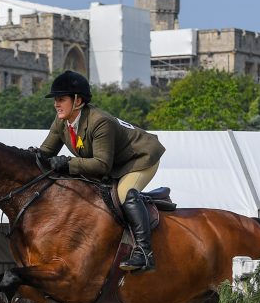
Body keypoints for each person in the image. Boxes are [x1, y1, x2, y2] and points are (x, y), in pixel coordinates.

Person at [35, 70, 166, 272]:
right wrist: (24, 156)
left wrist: (68, 163)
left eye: (61, 99)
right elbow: (44, 153)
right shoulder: (61, 121)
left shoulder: (99, 121)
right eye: (55, 100)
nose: (56, 104)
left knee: (124, 194)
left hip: (140, 158)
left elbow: (101, 165)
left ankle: (144, 253)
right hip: (115, 164)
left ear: (78, 101)